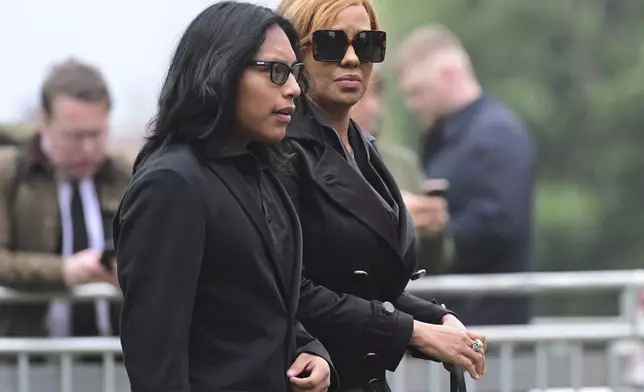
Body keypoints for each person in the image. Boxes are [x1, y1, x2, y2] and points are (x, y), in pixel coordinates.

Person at [113, 2, 336, 391]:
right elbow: (155, 357)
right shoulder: (171, 184)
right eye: (276, 72)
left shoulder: (260, 169)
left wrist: (312, 349)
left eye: (295, 73)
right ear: (222, 70)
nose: (295, 88)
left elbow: (262, 306)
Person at [276, 0, 486, 390]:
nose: (353, 59)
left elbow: (369, 285)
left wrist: (437, 319)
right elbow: (288, 291)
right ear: (296, 54)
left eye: (368, 43)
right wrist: (413, 332)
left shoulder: (362, 147)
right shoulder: (283, 151)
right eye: (331, 44)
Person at [395, 25, 535, 326]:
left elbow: (504, 224)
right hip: (458, 321)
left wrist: (435, 225)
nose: (413, 104)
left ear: (449, 73)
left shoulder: (499, 136)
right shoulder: (445, 139)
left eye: (419, 92)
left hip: (491, 326)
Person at [0, 59, 124, 338]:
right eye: (74, 136)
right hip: (26, 365)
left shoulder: (128, 177)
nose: (88, 148)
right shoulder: (9, 175)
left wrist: (126, 268)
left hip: (116, 361)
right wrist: (63, 272)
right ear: (43, 121)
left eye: (97, 134)